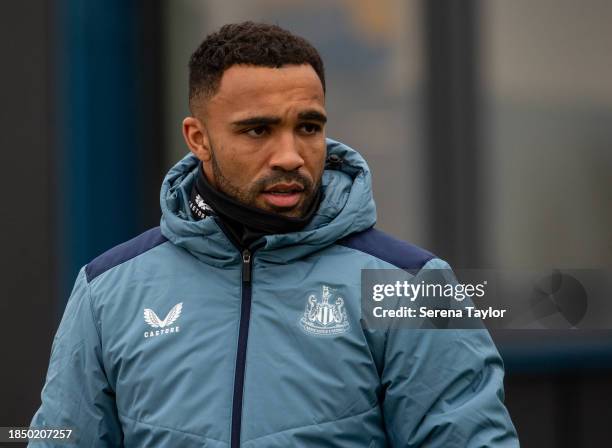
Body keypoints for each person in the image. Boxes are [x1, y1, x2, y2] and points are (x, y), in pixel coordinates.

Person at [30, 21, 518, 447]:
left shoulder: (414, 285)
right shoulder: (107, 290)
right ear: (198, 138)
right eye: (257, 130)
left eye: (308, 127)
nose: (290, 155)